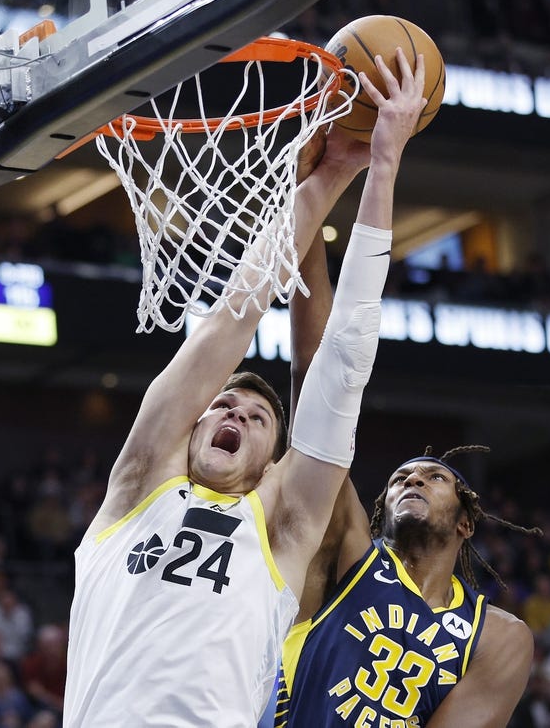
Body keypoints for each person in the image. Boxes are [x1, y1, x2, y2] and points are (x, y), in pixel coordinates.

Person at [62, 48, 428, 726]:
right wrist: (323, 181)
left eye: (261, 417)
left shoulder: (285, 529)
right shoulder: (136, 489)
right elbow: (230, 319)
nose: (233, 408)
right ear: (191, 428)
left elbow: (344, 357)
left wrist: (380, 165)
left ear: (270, 463)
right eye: (224, 403)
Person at [268, 189, 538, 727]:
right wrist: (311, 196)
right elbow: (316, 377)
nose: (412, 478)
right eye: (398, 479)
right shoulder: (347, 557)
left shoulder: (498, 636)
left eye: (434, 477)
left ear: (466, 522)